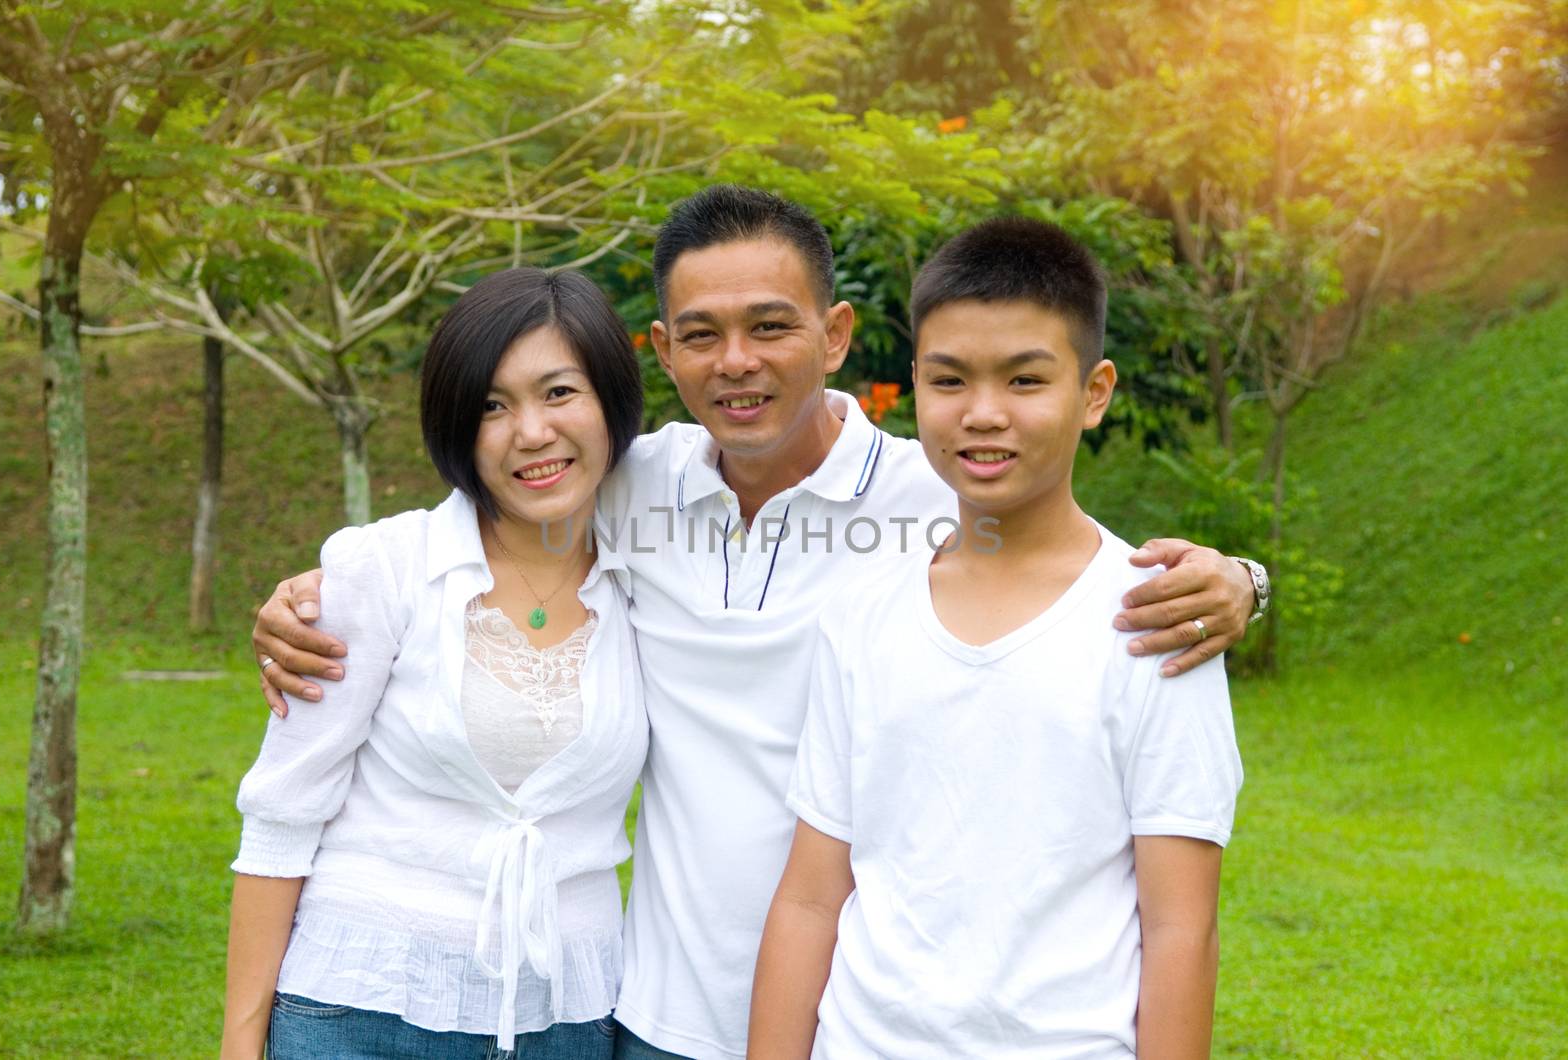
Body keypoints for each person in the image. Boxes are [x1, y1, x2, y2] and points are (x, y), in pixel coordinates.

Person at [252, 186, 1265, 1060]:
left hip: (845, 1016)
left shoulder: (933, 493)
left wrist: (1241, 581)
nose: (736, 361)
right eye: (701, 334)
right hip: (648, 1010)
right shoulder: (626, 483)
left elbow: (1077, 562)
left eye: (771, 326)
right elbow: (483, 516)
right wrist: (318, 588)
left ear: (834, 334)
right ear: (663, 351)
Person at [748, 217, 1242, 1058]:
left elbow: (1180, 931)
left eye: (1024, 380)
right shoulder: (862, 613)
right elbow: (809, 898)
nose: (983, 415)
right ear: (913, 387)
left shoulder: (1154, 624)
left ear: (1094, 392)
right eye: (951, 380)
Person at [222, 269, 649, 1060]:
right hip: (359, 1012)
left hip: (570, 1020)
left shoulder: (654, 578)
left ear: (612, 401)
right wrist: (240, 1047)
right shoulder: (383, 569)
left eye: (559, 392)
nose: (531, 432)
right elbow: (282, 820)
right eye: (492, 405)